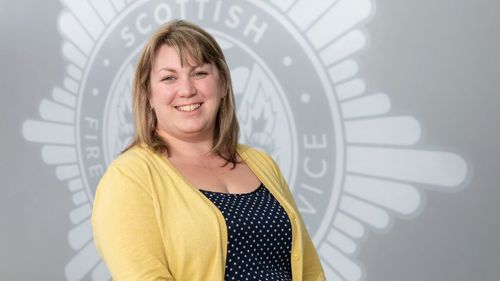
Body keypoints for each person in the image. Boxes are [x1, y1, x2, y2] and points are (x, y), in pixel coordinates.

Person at [92, 19, 325, 281]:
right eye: (169, 78)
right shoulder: (129, 177)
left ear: (223, 83)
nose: (187, 90)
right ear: (148, 95)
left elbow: (310, 271)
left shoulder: (261, 163)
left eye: (199, 73)